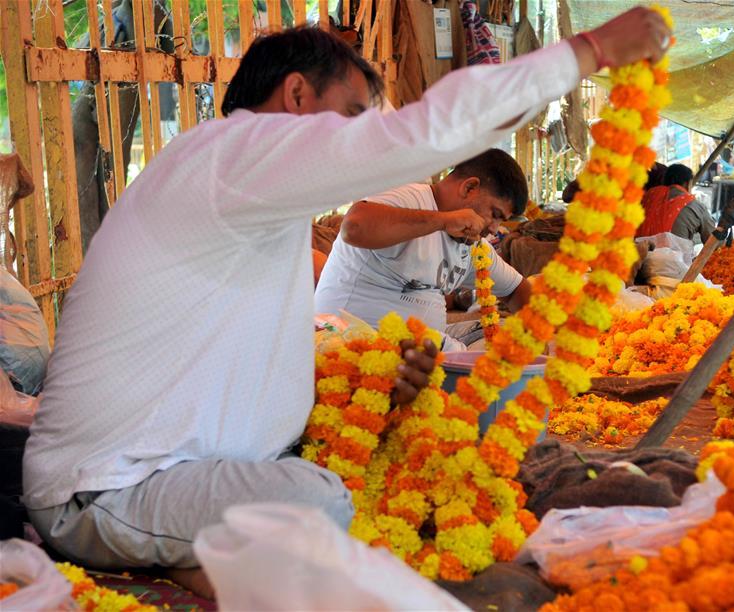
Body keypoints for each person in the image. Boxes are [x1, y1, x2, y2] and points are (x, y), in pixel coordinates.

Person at [22, 11, 671, 598]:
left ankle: (223, 564)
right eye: (358, 115)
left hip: (185, 474)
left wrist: (374, 382)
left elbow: (247, 354)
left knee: (398, 460)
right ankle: (217, 574)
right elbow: (429, 131)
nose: (368, 138)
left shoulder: (250, 201)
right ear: (297, 94)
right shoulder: (228, 160)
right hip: (102, 491)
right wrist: (591, 49)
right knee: (319, 499)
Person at [314, 149, 530, 347]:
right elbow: (353, 227)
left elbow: (516, 291)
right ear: (469, 187)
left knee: (509, 342)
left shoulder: (473, 243)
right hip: (350, 343)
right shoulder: (409, 198)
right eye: (495, 214)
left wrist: (541, 329)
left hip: (425, 350)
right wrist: (443, 221)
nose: (493, 228)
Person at [636, 163, 715, 243]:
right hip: (675, 254)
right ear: (687, 184)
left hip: (637, 253)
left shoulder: (648, 196)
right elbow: (712, 240)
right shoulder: (695, 206)